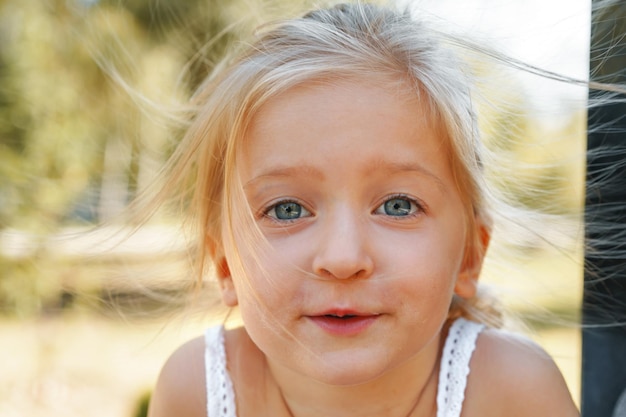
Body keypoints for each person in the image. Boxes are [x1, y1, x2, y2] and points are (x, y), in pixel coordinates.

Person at [145, 2, 580, 416]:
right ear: (225, 264)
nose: (343, 259)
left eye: (397, 205)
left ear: (470, 254)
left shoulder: (514, 391)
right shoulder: (198, 391)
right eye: (287, 210)